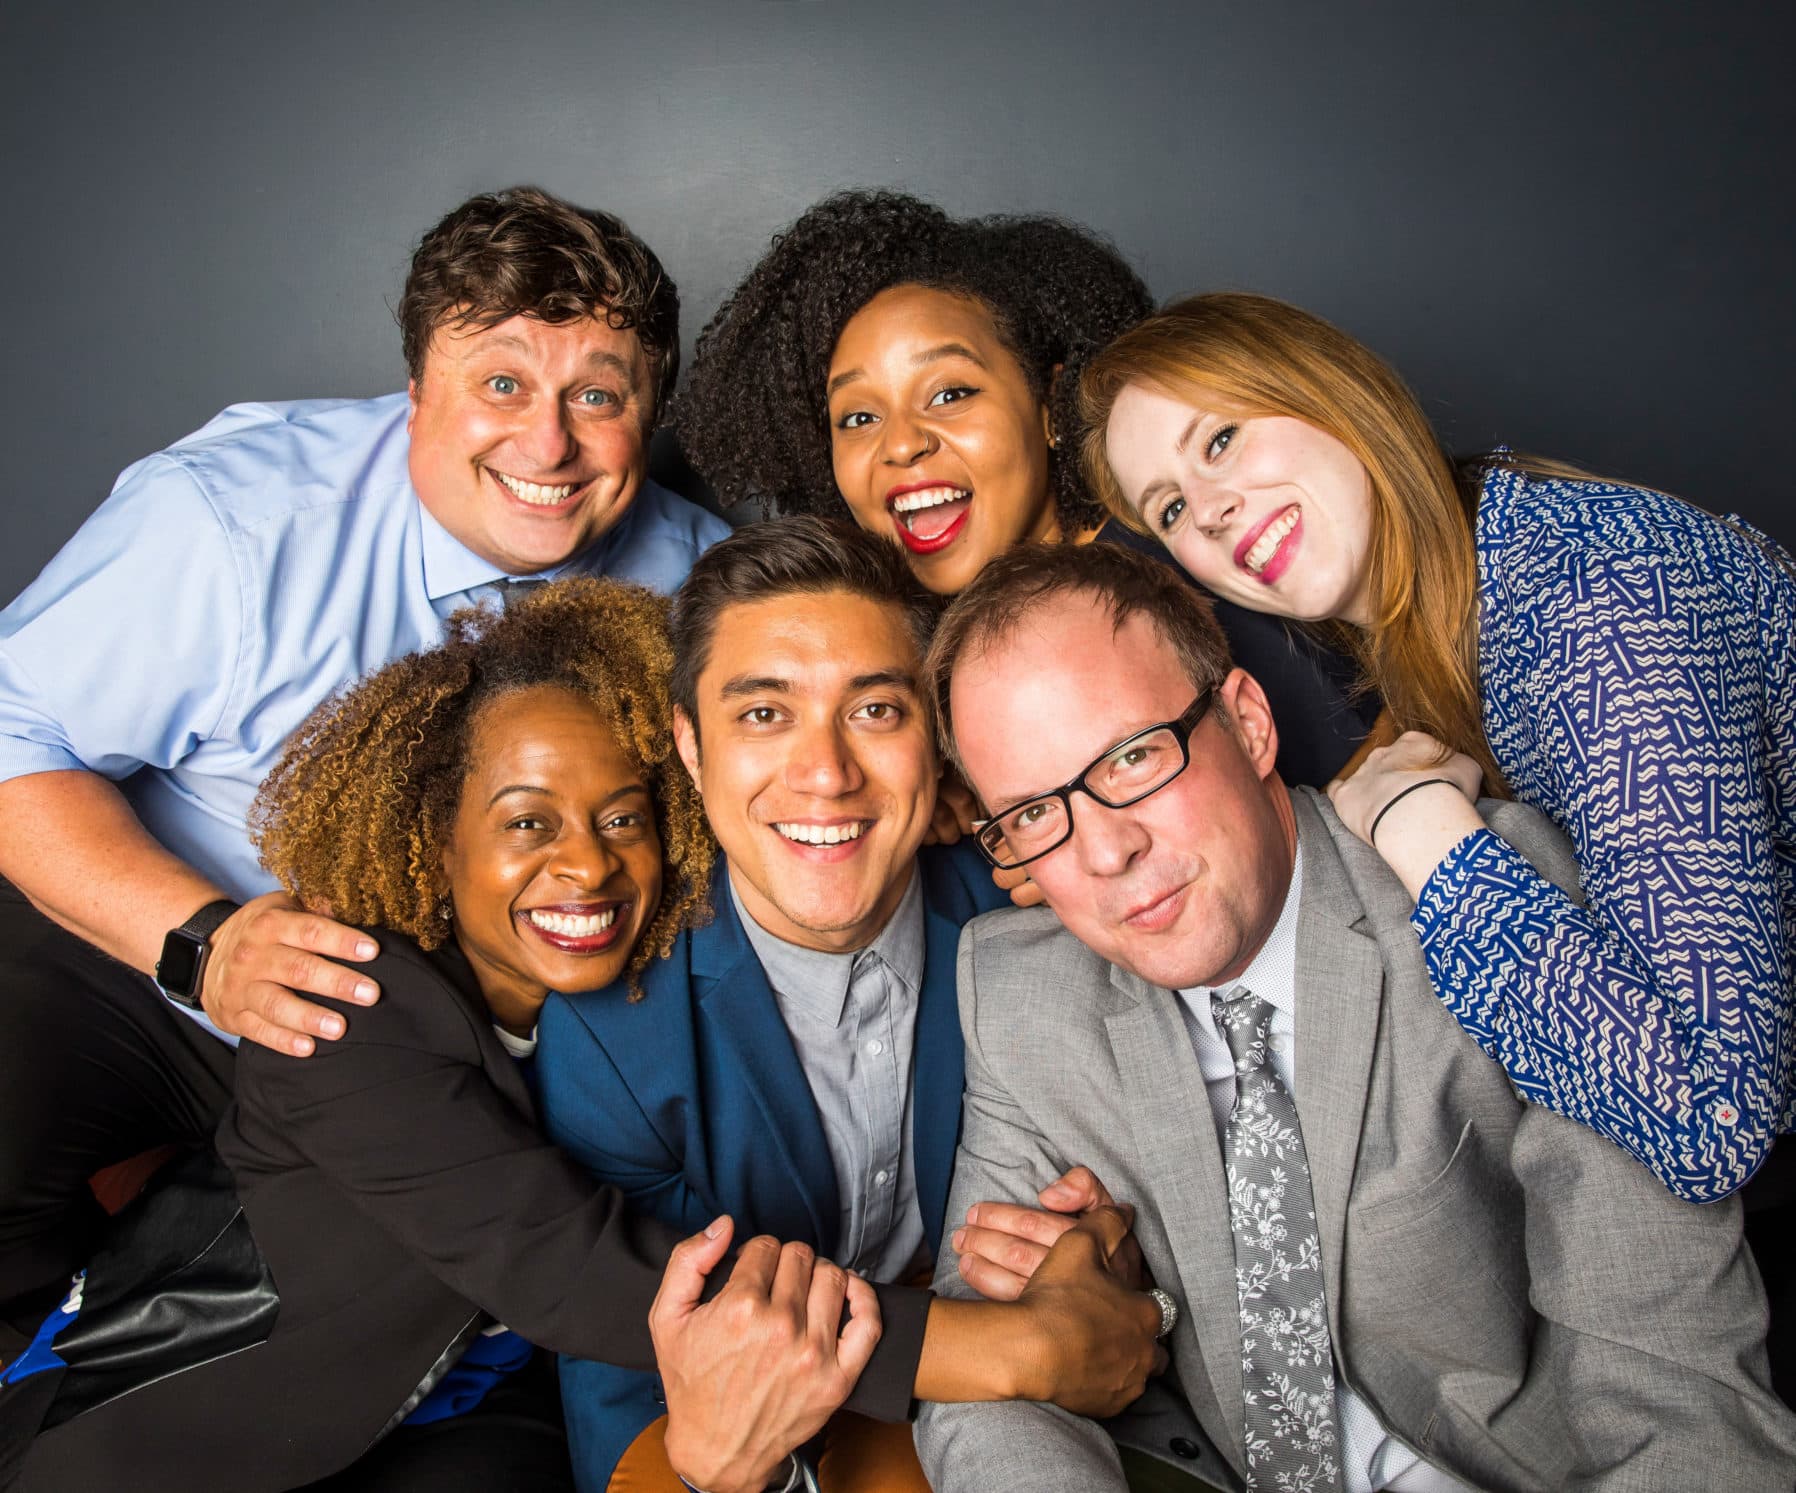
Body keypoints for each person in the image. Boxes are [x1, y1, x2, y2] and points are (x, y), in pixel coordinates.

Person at [0, 185, 729, 1353]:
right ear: (414, 396)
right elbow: (10, 735)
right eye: (500, 383)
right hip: (153, 958)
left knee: (388, 1348)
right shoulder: (232, 521)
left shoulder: (701, 587)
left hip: (433, 1044)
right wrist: (204, 943)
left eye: (596, 395)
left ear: (646, 411)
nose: (547, 443)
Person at [915, 541, 1796, 1491]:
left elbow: (1679, 1395)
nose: (1106, 850)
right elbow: (992, 1388)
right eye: (1037, 813)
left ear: (1248, 724)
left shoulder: (1493, 903)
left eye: (1133, 757)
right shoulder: (1015, 991)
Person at [1082, 296, 1794, 1213]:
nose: (1209, 513)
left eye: (1220, 440)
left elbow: (1713, 1110)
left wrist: (1422, 832)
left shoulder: (1598, 605)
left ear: (1330, 391)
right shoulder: (1465, 582)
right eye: (1170, 507)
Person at [536, 519, 1169, 1493]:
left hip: (982, 1394)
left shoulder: (1034, 909)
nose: (824, 773)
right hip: (729, 1418)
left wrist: (1095, 1241)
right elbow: (636, 1350)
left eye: (874, 710)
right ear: (689, 745)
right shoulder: (611, 1019)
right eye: (761, 716)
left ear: (937, 737)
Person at [675, 190, 1373, 793]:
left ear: (1050, 407)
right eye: (858, 416)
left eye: (950, 393)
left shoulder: (1192, 567)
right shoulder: (915, 649)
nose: (900, 443)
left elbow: (1369, 771)